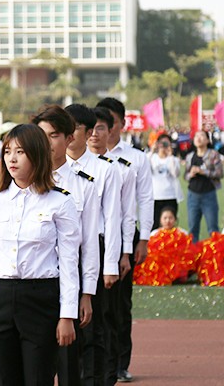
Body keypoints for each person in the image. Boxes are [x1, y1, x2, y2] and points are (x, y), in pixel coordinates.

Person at [0, 123, 81, 386]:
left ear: (37, 154)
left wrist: (67, 315)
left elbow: (69, 262)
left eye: (20, 152)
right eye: (7, 152)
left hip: (41, 299)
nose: (12, 159)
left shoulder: (60, 201)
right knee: (5, 380)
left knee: (39, 379)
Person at [33, 105, 100, 386]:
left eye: (54, 135)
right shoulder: (25, 182)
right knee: (36, 365)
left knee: (70, 363)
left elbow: (90, 243)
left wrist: (87, 293)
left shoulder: (84, 185)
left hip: (69, 283)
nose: (47, 143)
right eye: (42, 135)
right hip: (35, 285)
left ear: (69, 138)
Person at [64, 103, 122, 386]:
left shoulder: (105, 169)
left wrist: (110, 265)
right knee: (64, 324)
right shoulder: (52, 168)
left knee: (92, 326)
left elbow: (112, 218)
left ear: (87, 133)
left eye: (74, 128)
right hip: (60, 255)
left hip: (92, 253)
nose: (68, 134)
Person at [98, 97, 152, 384]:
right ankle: (96, 362)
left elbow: (144, 200)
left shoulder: (136, 158)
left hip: (124, 237)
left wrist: (143, 239)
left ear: (120, 124)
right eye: (98, 124)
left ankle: (120, 363)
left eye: (110, 123)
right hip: (91, 238)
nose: (104, 129)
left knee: (119, 304)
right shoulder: (86, 158)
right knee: (95, 304)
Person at [184, 130, 224, 243]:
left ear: (207, 140)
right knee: (193, 230)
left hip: (208, 195)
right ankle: (194, 253)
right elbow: (185, 176)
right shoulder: (190, 156)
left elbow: (220, 173)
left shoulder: (213, 154)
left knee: (213, 229)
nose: (198, 138)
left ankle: (215, 252)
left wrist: (203, 172)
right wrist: (190, 174)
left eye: (202, 136)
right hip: (193, 196)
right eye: (196, 136)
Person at [148, 133, 182, 230]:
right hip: (155, 196)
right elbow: (144, 169)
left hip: (170, 196)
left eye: (166, 143)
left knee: (169, 225)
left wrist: (170, 155)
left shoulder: (173, 159)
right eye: (161, 143)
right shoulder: (152, 158)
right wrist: (152, 150)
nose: (163, 146)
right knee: (154, 225)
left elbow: (175, 173)